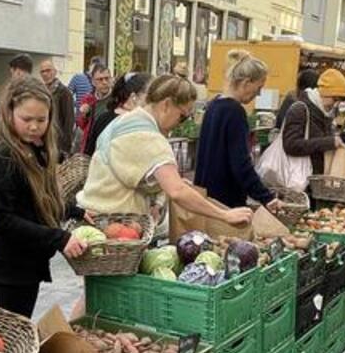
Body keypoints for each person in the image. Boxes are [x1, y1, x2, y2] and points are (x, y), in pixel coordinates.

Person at [79, 74, 252, 228]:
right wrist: (225, 215)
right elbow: (177, 191)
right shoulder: (150, 138)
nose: (180, 123)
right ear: (166, 105)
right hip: (116, 226)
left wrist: (160, 197)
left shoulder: (123, 121)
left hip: (92, 215)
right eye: (182, 116)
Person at [0, 77, 87, 317]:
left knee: (18, 330)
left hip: (29, 264)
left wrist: (76, 211)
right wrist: (59, 238)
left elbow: (38, 202)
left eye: (42, 119)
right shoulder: (1, 157)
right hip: (11, 268)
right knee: (11, 335)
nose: (34, 126)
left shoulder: (36, 148)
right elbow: (3, 220)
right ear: (9, 114)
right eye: (27, 119)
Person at [194, 50, 279, 211]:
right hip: (226, 201)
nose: (259, 93)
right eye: (259, 87)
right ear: (246, 82)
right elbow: (241, 163)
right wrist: (266, 197)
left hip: (207, 196)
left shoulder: (214, 105)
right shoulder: (234, 112)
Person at [281, 68, 345, 180]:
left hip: (315, 176)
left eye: (339, 101)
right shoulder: (300, 109)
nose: (336, 105)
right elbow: (290, 145)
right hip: (298, 177)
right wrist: (328, 142)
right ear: (325, 93)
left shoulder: (325, 113)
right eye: (335, 99)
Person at [83, 72, 152, 157]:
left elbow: (89, 153)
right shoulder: (137, 123)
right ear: (134, 97)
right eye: (150, 96)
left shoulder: (104, 118)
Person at [39, 59, 76, 158]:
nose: (45, 74)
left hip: (58, 144)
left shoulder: (64, 93)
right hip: (44, 143)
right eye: (42, 71)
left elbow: (69, 122)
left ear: (55, 72)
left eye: (48, 70)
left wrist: (64, 149)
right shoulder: (41, 92)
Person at [75, 62, 113, 151]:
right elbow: (81, 125)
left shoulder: (117, 99)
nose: (104, 82)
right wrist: (84, 114)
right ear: (93, 82)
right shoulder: (88, 99)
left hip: (110, 146)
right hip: (92, 146)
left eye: (107, 78)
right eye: (100, 79)